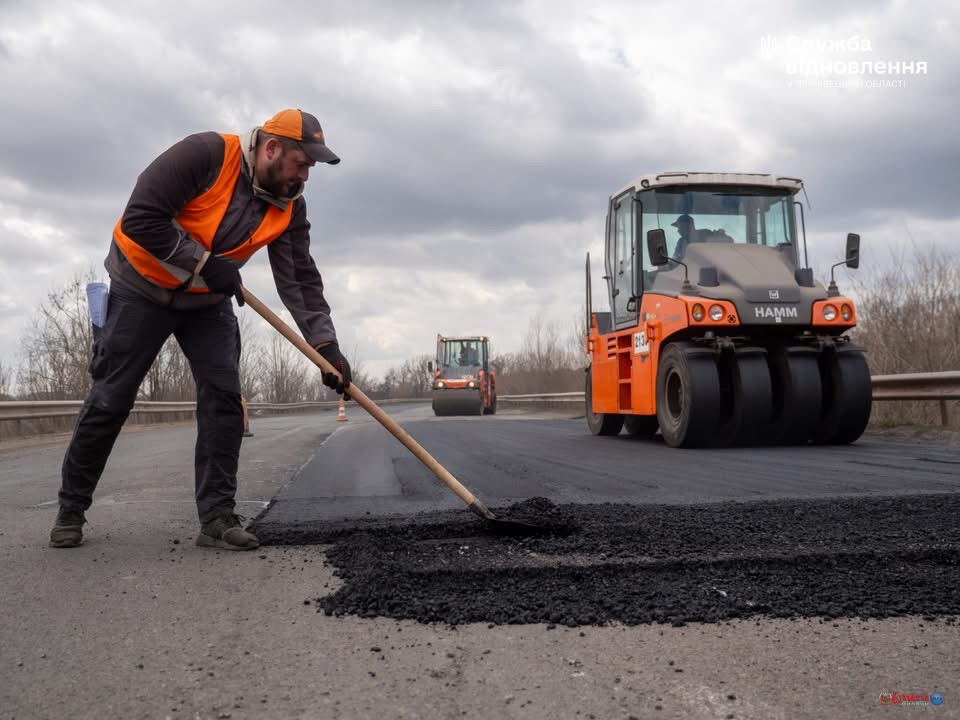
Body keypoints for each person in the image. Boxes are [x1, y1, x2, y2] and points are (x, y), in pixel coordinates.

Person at [49, 109, 352, 551]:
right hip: (142, 287)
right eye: (301, 163)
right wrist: (205, 263)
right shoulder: (205, 155)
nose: (305, 176)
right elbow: (141, 219)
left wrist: (326, 347)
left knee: (224, 397)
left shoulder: (290, 205)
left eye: (310, 168)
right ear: (271, 148)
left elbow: (300, 280)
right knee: (111, 397)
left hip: (206, 301)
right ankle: (71, 509)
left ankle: (216, 517)